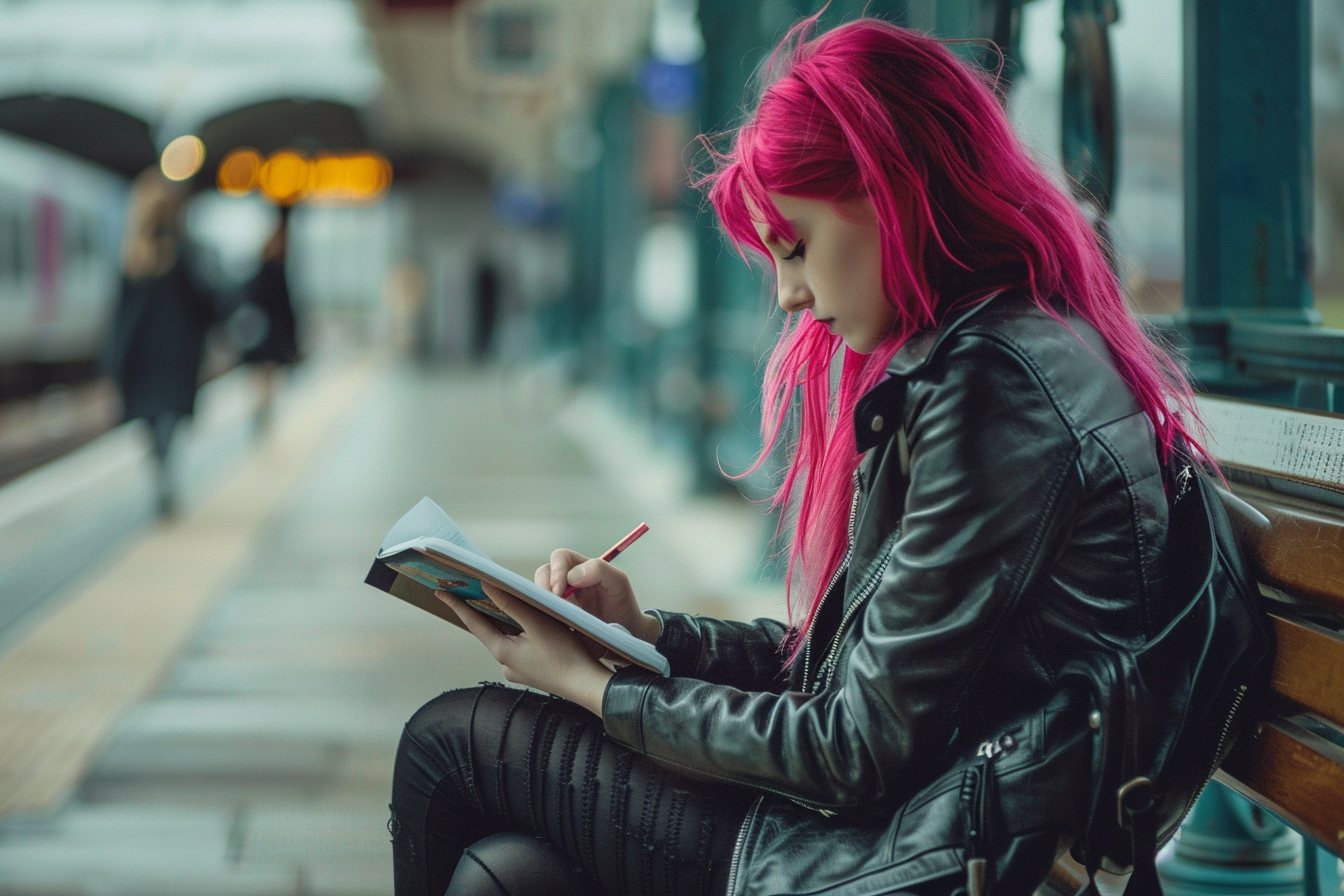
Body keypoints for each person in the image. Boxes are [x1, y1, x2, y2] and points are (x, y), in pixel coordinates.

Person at [389, 15, 1208, 896]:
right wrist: (645, 637)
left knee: (452, 742)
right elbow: (845, 671)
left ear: (892, 193)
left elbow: (850, 748)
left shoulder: (994, 390)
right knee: (507, 875)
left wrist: (591, 685)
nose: (789, 294)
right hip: (923, 819)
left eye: (797, 244)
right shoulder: (1004, 356)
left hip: (920, 850)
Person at [104, 168, 216, 519]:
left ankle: (161, 476)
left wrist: (113, 356)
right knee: (168, 419)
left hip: (141, 353)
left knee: (151, 421)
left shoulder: (131, 255)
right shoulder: (180, 251)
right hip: (175, 353)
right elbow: (203, 299)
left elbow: (119, 312)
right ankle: (166, 478)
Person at [238, 205, 300, 434]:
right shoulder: (276, 271)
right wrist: (293, 342)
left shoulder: (258, 267)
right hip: (272, 337)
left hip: (256, 335)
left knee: (259, 380)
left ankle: (259, 414)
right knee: (268, 380)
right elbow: (285, 308)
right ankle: (263, 418)